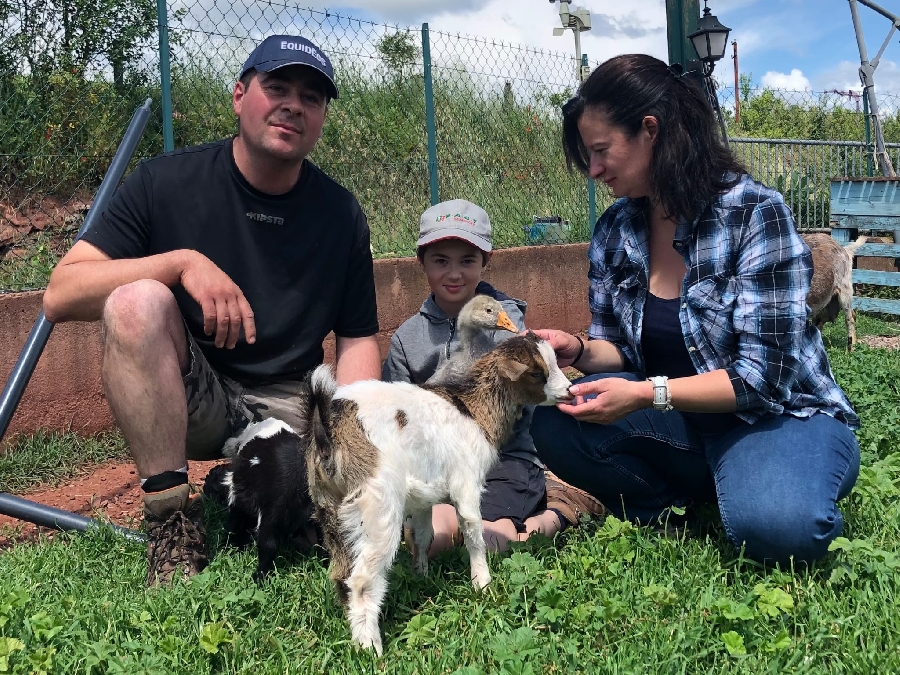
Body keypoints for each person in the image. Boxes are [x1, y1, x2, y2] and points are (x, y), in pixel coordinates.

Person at [42, 35, 382, 584]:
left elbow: (359, 338)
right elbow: (60, 294)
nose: (294, 104)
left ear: (320, 118)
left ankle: (245, 489)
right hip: (198, 397)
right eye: (276, 87)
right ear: (239, 95)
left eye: (312, 97)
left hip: (291, 404)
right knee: (136, 301)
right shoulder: (165, 183)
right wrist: (178, 263)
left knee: (327, 528)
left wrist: (347, 443)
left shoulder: (341, 214)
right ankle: (173, 524)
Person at [530, 54, 861, 566]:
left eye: (600, 151)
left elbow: (763, 379)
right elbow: (618, 347)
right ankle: (678, 499)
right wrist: (576, 348)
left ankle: (775, 475)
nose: (593, 171)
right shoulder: (614, 230)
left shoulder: (754, 213)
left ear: (650, 131)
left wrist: (646, 393)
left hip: (773, 417)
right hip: (680, 421)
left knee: (780, 528)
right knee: (551, 423)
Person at [382, 199, 605, 556]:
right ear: (420, 262)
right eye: (441, 261)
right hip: (436, 465)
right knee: (430, 539)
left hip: (503, 460)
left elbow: (539, 398)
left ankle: (558, 513)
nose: (454, 274)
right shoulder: (407, 340)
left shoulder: (509, 332)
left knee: (489, 541)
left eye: (467, 261)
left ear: (487, 261)